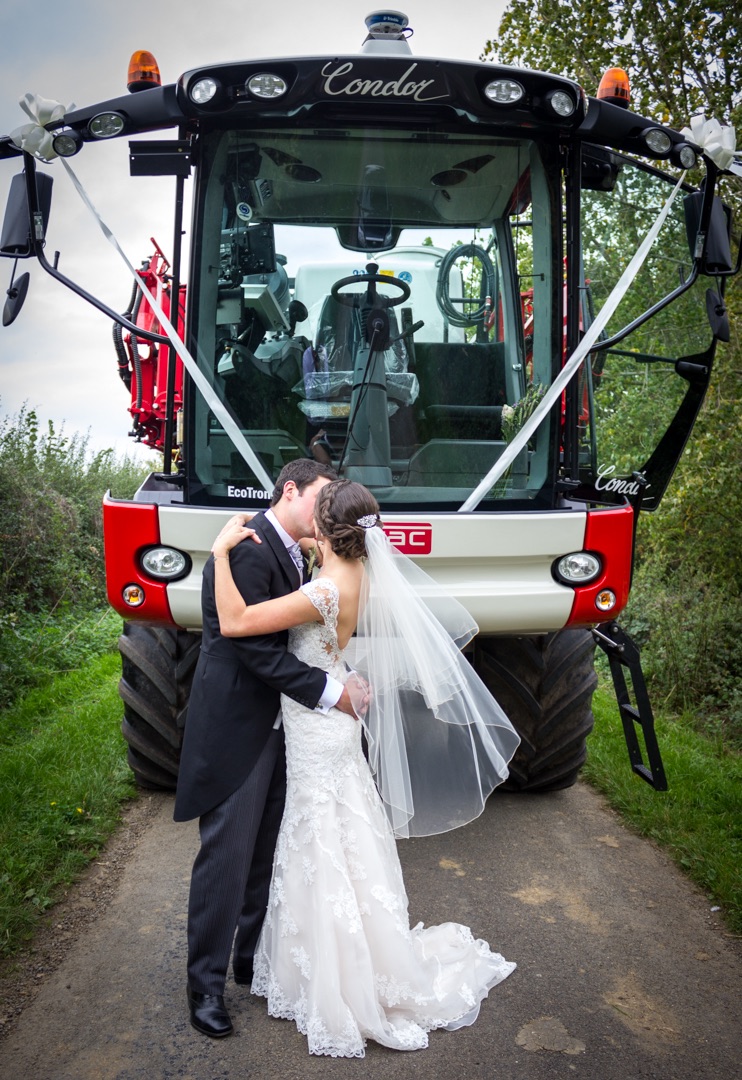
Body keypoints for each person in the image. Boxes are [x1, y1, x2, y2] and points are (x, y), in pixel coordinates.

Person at [210, 478, 521, 1057]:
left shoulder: (324, 590)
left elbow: (236, 621)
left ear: (327, 531)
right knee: (340, 834)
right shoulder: (355, 573)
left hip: (317, 727)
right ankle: (348, 960)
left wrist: (219, 554)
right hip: (330, 716)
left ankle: (337, 976)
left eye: (316, 522)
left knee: (321, 836)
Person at [174, 459, 365, 1040]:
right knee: (226, 858)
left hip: (283, 725)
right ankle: (204, 987)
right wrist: (332, 692)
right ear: (291, 491)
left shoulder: (299, 552)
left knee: (267, 853)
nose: (328, 512)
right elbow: (252, 647)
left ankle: (250, 959)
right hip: (238, 724)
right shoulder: (249, 548)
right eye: (322, 499)